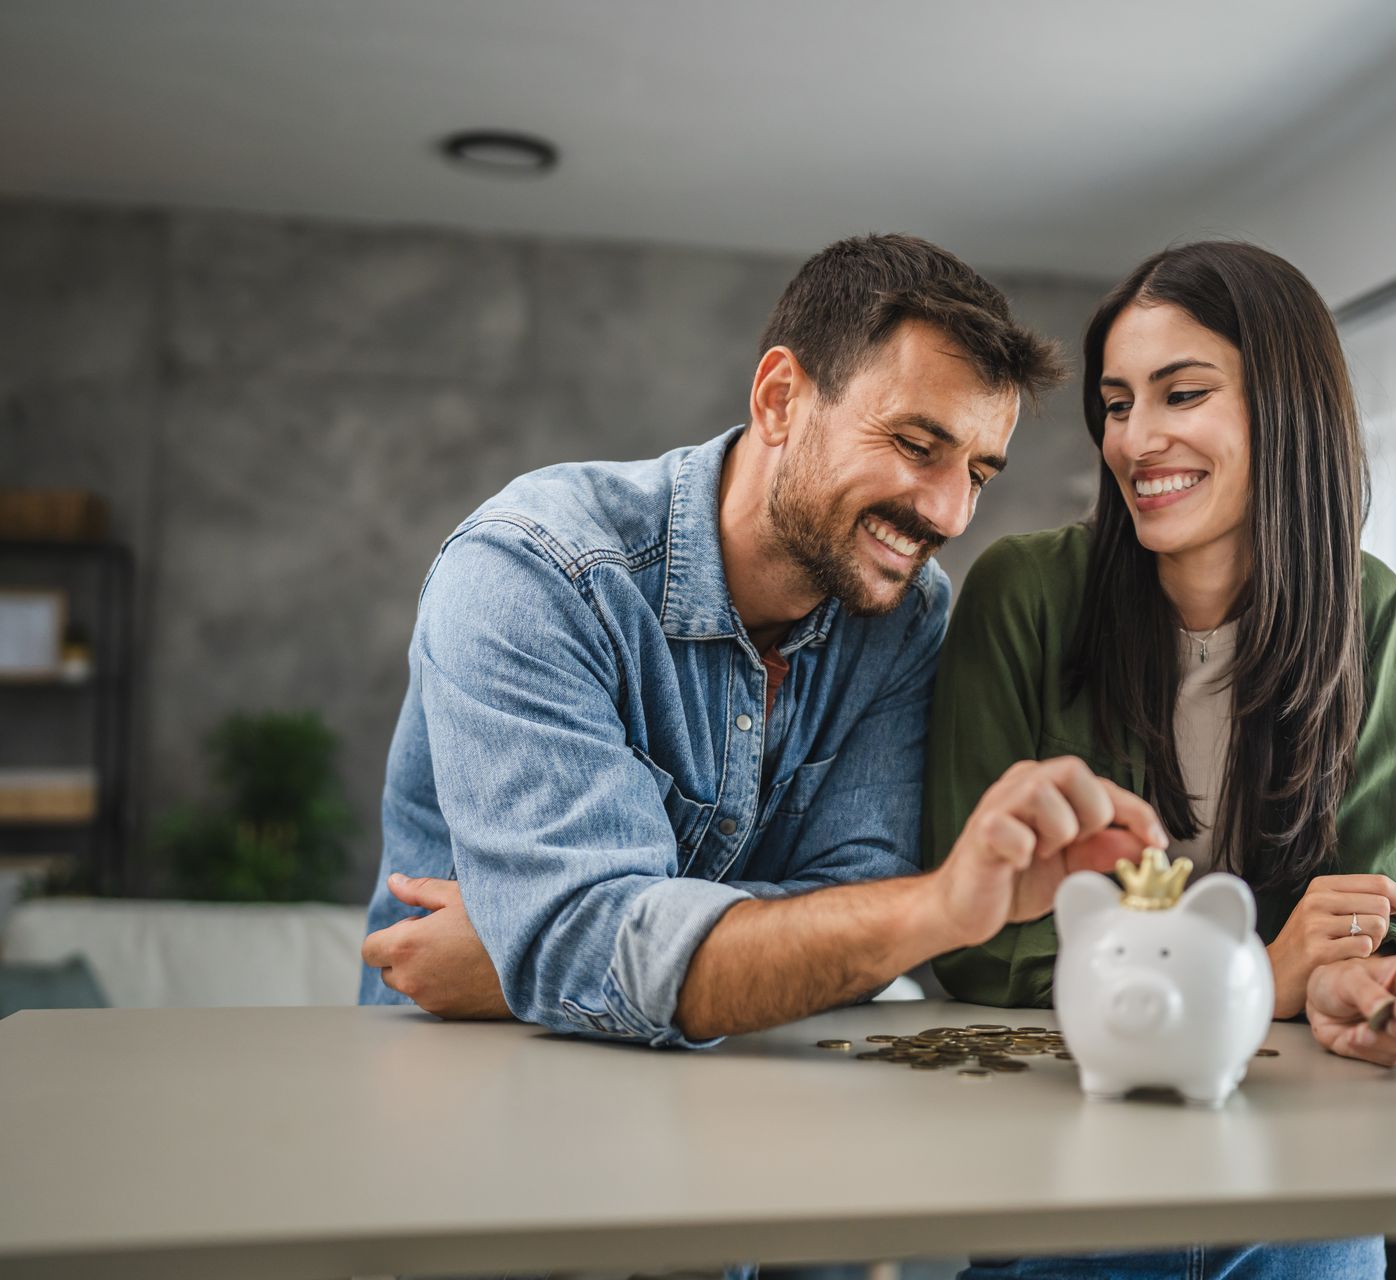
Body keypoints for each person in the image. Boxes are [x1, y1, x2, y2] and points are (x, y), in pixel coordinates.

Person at [357, 233, 1167, 1045]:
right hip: (472, 1083)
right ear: (780, 399)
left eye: (979, 474)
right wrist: (577, 944)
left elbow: (864, 906)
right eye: (917, 447)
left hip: (742, 1105)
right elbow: (855, 924)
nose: (951, 515)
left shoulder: (905, 614)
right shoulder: (534, 572)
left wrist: (529, 960)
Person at [921, 241, 1396, 1279]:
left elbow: (1373, 904)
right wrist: (1256, 979)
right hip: (1071, 1151)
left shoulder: (1370, 610)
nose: (1137, 438)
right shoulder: (1023, 595)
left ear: (1288, 407)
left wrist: (1384, 982)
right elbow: (977, 942)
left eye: (1182, 393)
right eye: (1118, 403)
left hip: (1293, 1150)